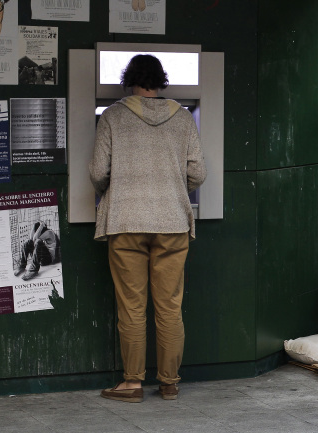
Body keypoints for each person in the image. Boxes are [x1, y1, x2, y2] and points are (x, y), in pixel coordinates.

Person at [89, 54, 207, 403]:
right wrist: (171, 189)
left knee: (132, 306)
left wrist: (120, 187)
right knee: (170, 306)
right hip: (171, 222)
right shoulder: (184, 119)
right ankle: (169, 382)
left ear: (129, 80)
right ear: (161, 81)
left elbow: (98, 172)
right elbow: (197, 174)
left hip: (126, 222)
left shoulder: (111, 117)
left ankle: (132, 383)